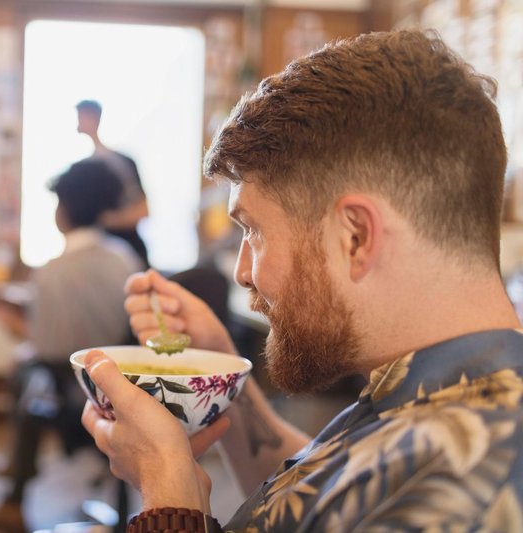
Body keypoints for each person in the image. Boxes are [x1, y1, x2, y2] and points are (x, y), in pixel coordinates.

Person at [81, 29, 523, 531]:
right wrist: (225, 380)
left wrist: (166, 491)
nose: (244, 271)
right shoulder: (432, 394)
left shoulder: (474, 480)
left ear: (356, 236)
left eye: (255, 231)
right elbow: (324, 500)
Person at [0, 158, 143, 532]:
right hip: (117, 391)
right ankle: (17, 471)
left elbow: (50, 348)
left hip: (72, 399)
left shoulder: (53, 271)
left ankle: (15, 494)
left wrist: (13, 325)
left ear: (65, 210)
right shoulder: (123, 258)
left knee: (27, 370)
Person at [76, 99, 151, 268]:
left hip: (127, 249)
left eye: (81, 116)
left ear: (94, 118)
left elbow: (143, 210)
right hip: (97, 255)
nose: (78, 123)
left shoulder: (119, 163)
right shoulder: (82, 168)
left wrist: (106, 220)